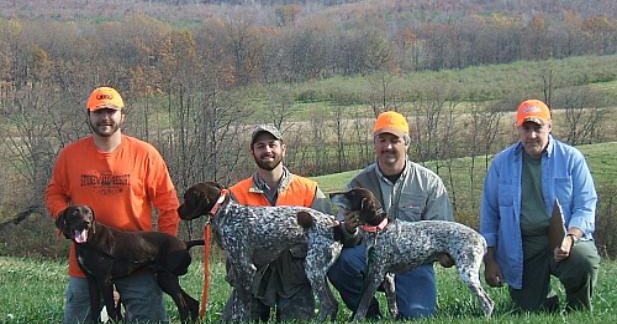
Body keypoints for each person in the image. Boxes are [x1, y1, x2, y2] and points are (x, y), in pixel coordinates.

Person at [45, 86, 181, 324]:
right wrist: (64, 222)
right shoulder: (70, 155)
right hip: (87, 264)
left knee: (149, 319)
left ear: (122, 116)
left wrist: (162, 253)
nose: (105, 117)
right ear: (89, 116)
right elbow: (55, 192)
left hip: (137, 261)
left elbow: (169, 205)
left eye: (111, 111)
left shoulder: (145, 154)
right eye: (98, 112)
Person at [327, 111, 453, 319]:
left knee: (417, 315)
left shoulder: (429, 183)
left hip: (413, 263)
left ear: (407, 143)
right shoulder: (359, 184)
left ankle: (408, 302)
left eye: (394, 140)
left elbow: (443, 230)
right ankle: (369, 313)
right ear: (375, 144)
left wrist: (446, 255)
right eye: (382, 140)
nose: (387, 147)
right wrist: (349, 228)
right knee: (341, 264)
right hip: (369, 257)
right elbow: (343, 231)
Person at [480, 99, 601, 312]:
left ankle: (578, 307)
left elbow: (586, 205)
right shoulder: (501, 164)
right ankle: (547, 302)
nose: (532, 135)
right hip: (521, 245)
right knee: (530, 309)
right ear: (518, 129)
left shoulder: (572, 159)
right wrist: (489, 260)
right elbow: (489, 216)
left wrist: (571, 238)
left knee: (584, 261)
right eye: (526, 128)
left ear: (550, 127)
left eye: (538, 128)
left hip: (564, 239)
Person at [221, 125, 332, 321]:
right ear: (253, 152)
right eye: (260, 146)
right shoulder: (235, 195)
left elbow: (328, 235)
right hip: (254, 281)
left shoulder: (308, 189)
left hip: (294, 279)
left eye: (272, 144)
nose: (267, 151)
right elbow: (230, 250)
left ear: (283, 148)